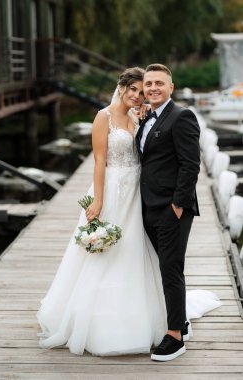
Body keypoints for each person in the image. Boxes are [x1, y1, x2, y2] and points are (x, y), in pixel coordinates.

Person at [37, 67, 221, 357]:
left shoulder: (145, 116)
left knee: (141, 255)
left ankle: (166, 325)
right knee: (108, 257)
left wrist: (177, 203)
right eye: (135, 89)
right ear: (121, 88)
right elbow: (99, 162)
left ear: (170, 87)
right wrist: (98, 201)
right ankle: (101, 319)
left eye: (143, 88)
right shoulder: (103, 117)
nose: (139, 94)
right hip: (112, 191)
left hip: (140, 197)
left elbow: (181, 161)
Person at [136, 63, 201, 361]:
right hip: (149, 206)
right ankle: (181, 322)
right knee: (164, 267)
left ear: (171, 87)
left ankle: (175, 336)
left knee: (170, 270)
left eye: (159, 83)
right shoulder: (149, 117)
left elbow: (190, 165)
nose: (152, 88)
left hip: (171, 209)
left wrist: (177, 205)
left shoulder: (181, 116)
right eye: (148, 84)